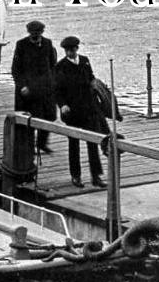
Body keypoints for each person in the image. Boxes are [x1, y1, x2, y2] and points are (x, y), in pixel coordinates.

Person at [54, 36, 104, 188]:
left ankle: (96, 176)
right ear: (65, 50)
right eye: (68, 50)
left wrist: (97, 86)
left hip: (88, 109)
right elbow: (57, 90)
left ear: (77, 48)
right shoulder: (60, 66)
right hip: (72, 111)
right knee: (73, 144)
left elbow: (91, 78)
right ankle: (76, 176)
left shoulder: (84, 61)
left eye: (73, 49)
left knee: (92, 143)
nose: (71, 52)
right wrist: (62, 105)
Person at [11, 20, 58, 153]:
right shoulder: (21, 45)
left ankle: (42, 143)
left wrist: (54, 83)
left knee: (48, 116)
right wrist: (22, 86)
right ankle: (29, 146)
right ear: (28, 32)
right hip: (28, 90)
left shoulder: (48, 44)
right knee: (30, 118)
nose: (35, 36)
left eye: (37, 33)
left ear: (42, 32)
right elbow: (16, 69)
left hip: (45, 89)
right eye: (32, 33)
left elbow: (53, 65)